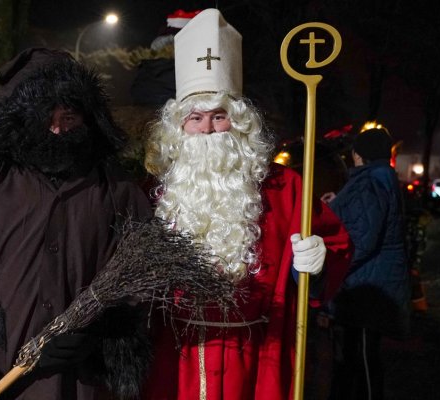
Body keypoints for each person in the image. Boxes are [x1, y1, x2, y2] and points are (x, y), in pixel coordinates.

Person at [0, 48, 153, 400]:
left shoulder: (117, 191)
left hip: (81, 385)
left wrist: (99, 337)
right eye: (44, 117)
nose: (57, 129)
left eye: (68, 117)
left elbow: (138, 281)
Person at [141, 9, 352, 400]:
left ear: (239, 123)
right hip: (176, 358)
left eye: (219, 116)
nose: (207, 129)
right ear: (178, 126)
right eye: (195, 117)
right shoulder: (154, 192)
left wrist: (316, 264)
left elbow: (334, 246)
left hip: (257, 356)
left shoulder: (284, 187)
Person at [320, 127, 410, 400]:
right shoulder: (381, 178)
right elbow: (368, 218)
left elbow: (361, 238)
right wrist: (340, 202)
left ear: (359, 155)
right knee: (358, 354)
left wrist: (331, 267)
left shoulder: (369, 181)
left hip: (366, 286)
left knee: (360, 356)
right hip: (373, 281)